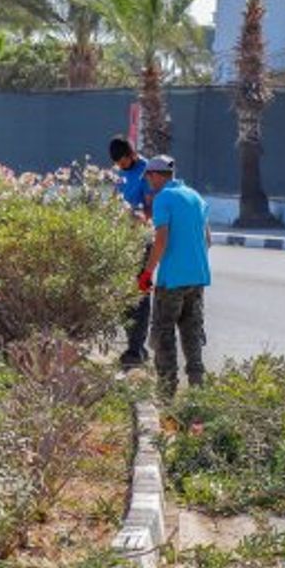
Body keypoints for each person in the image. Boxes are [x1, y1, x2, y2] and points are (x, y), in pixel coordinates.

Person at [138, 155, 211, 399]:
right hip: (198, 278)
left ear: (157, 175)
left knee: (163, 333)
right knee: (192, 334)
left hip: (172, 281)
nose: (147, 180)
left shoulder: (163, 199)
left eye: (148, 175)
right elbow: (207, 239)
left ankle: (166, 394)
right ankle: (198, 393)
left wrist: (147, 273)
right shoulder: (195, 197)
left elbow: (161, 240)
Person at [109, 136, 153, 368]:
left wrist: (138, 217)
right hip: (122, 239)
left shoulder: (146, 171)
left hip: (141, 240)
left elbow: (150, 208)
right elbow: (115, 199)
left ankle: (136, 349)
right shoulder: (120, 173)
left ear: (131, 155)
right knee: (124, 295)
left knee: (141, 293)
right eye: (117, 164)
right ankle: (133, 344)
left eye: (123, 162)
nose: (120, 167)